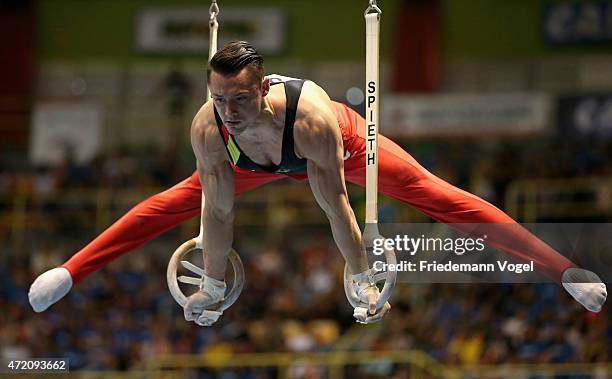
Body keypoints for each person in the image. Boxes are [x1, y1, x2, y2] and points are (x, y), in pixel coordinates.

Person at [29, 42, 607, 325]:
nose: (227, 109)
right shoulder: (211, 126)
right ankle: (70, 271)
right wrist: (209, 281)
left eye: (238, 98)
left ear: (263, 90)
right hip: (249, 162)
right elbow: (220, 217)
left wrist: (359, 274)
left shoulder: (310, 119)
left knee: (443, 199)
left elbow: (336, 210)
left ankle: (565, 270)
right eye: (218, 98)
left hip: (343, 149)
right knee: (167, 204)